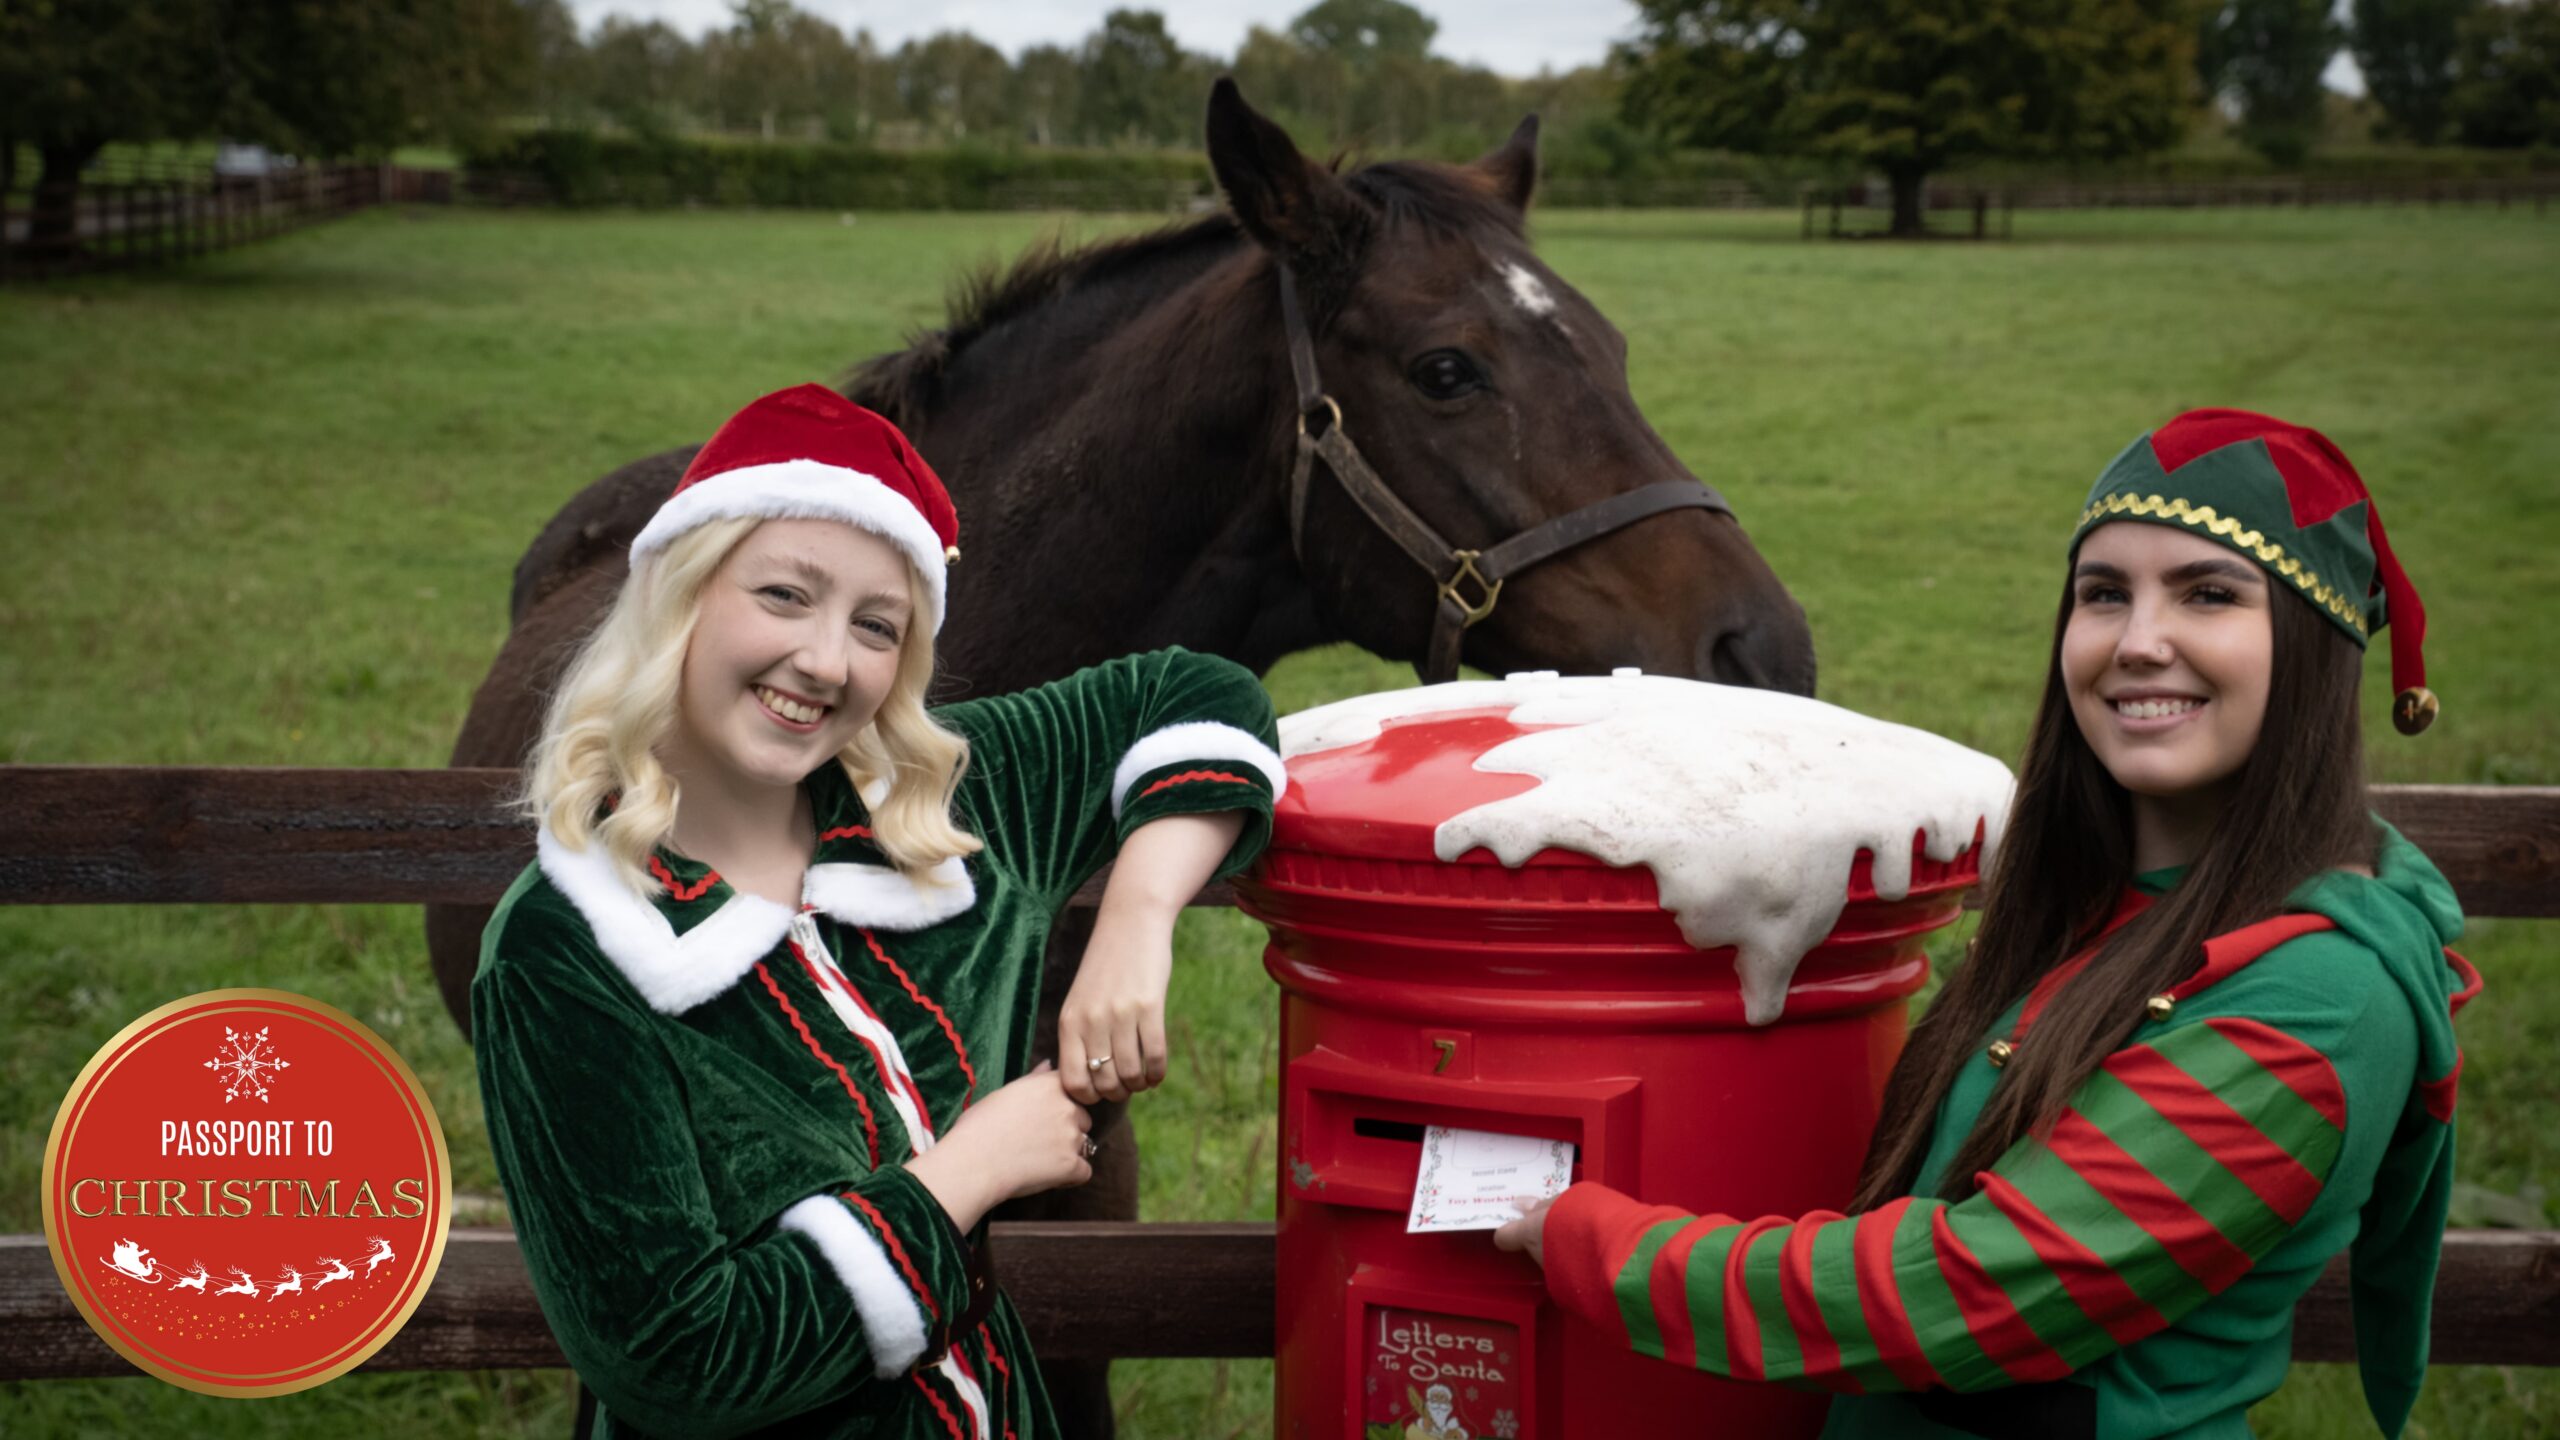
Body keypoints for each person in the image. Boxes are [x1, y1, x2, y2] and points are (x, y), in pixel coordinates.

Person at [1494, 410, 2477, 1439]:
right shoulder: (2095, 904)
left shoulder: (2324, 999)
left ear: (2314, 649)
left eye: (2208, 595)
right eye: (2104, 595)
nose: (2139, 642)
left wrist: (1597, 1242)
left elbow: (1963, 1298)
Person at [472, 383, 1286, 1439]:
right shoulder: (564, 953)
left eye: (877, 626)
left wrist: (1137, 917)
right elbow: (675, 1360)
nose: (825, 661)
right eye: (781, 595)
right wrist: (968, 1172)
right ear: (681, 595)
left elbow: (1201, 692)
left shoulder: (948, 810)